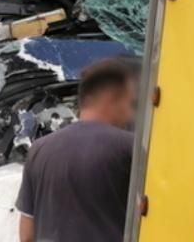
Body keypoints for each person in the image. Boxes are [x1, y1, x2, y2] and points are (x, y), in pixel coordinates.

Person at [16, 57, 139, 242]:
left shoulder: (39, 149)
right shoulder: (131, 147)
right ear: (112, 99)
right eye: (129, 103)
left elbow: (26, 235)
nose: (130, 113)